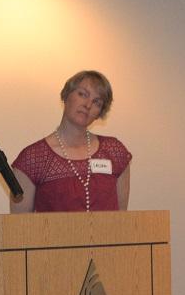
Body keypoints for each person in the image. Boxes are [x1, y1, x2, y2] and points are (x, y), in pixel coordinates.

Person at [10, 70, 131, 213]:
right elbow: (20, 227)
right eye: (82, 94)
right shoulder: (32, 159)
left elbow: (122, 219)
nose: (88, 104)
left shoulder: (115, 152)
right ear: (66, 95)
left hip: (108, 236)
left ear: (100, 113)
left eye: (97, 102)